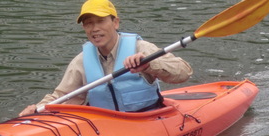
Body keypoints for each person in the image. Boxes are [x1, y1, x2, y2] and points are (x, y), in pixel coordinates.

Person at [19, 0, 192, 116]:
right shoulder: (81, 61)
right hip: (105, 125)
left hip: (147, 118)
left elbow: (184, 73)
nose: (94, 29)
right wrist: (37, 110)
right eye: (88, 23)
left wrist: (149, 65)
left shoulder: (141, 48)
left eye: (100, 21)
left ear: (115, 22)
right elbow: (63, 96)